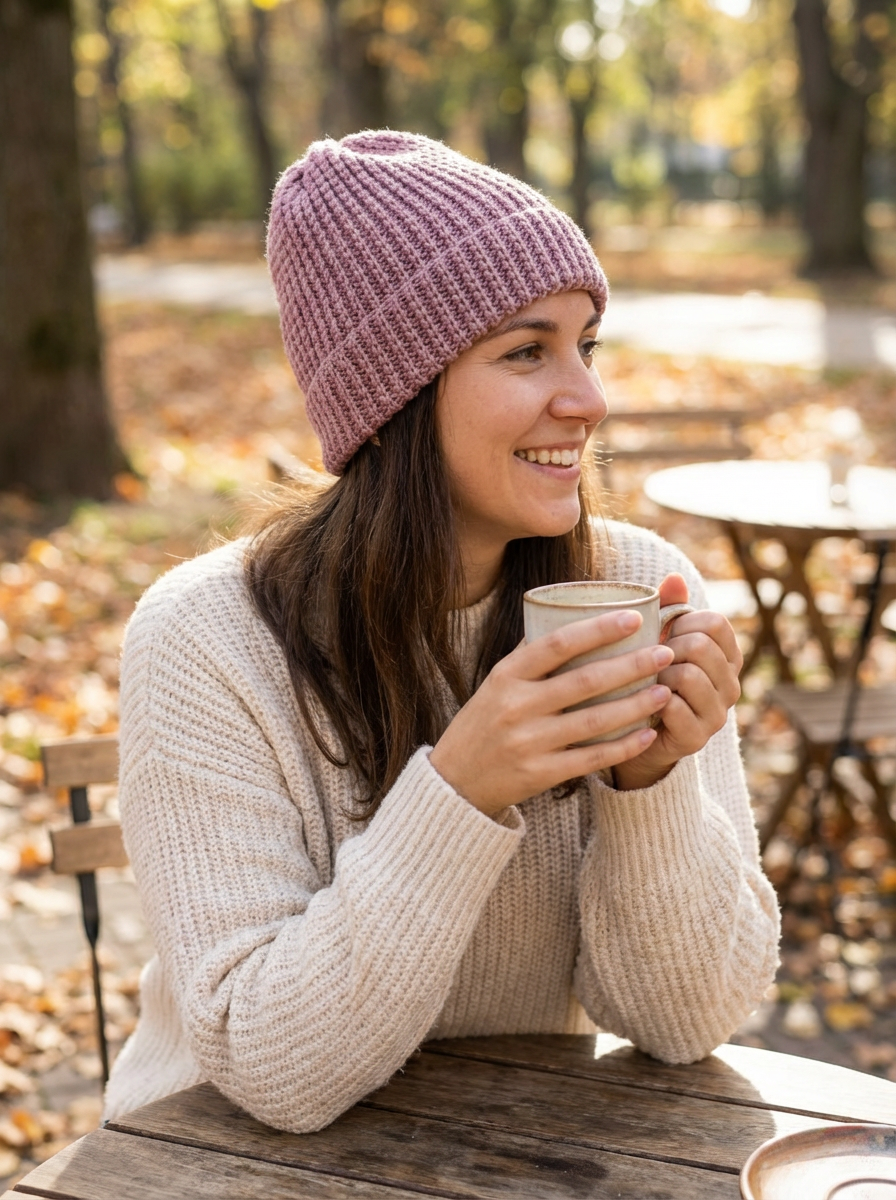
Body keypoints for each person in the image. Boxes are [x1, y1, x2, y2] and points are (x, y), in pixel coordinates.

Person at [102, 131, 780, 1132]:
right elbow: (273, 1073)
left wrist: (650, 788)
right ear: (395, 395)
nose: (587, 400)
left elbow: (684, 1023)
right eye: (525, 350)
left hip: (513, 1153)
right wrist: (460, 788)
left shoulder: (634, 587)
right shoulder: (206, 639)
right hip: (219, 1165)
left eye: (583, 344)